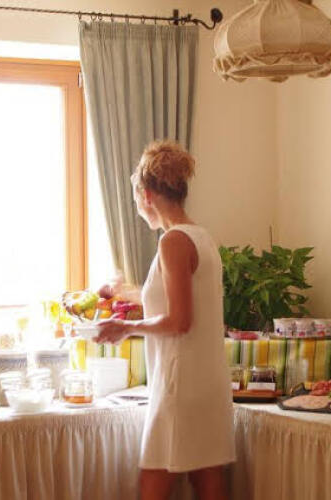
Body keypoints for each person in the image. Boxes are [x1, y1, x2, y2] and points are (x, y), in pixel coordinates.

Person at [95, 140, 235, 500]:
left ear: (146, 195)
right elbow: (172, 298)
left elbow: (179, 321)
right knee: (208, 480)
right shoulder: (202, 237)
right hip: (208, 381)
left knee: (153, 485)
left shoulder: (172, 241)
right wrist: (123, 292)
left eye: (137, 201)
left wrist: (126, 328)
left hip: (180, 383)